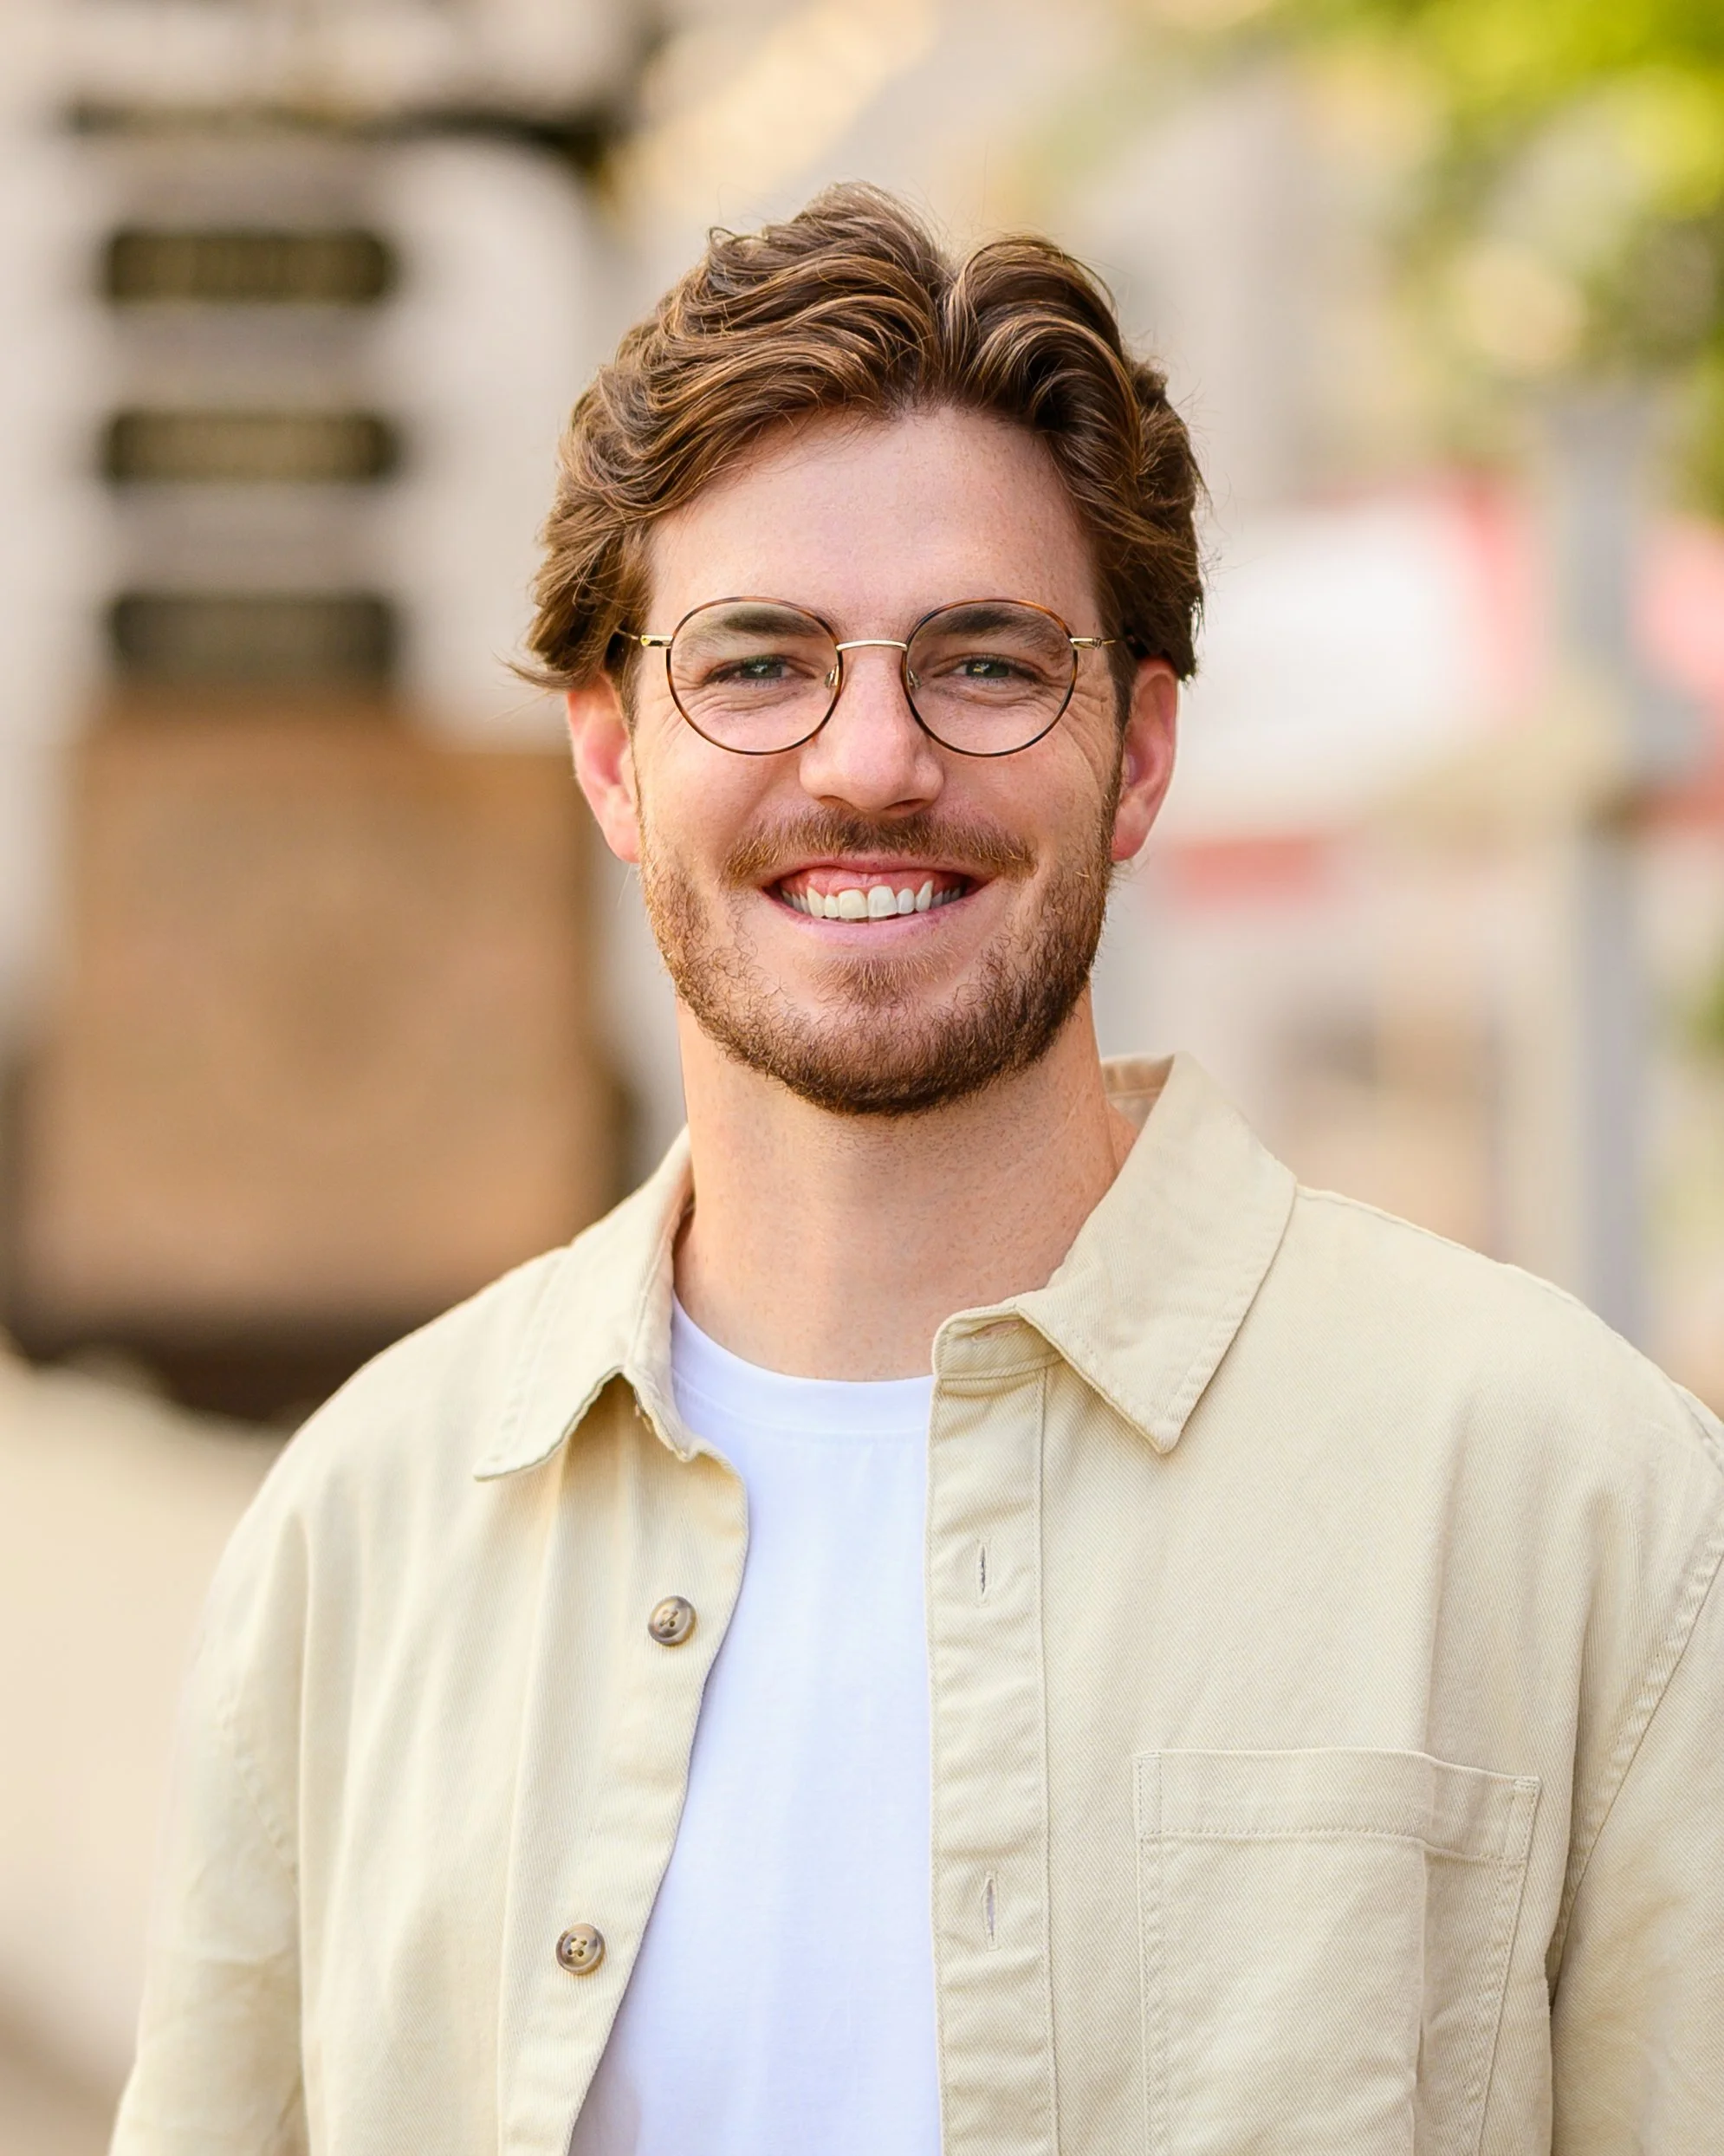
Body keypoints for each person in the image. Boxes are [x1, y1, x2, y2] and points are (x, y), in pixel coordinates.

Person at [114, 184, 1723, 2155]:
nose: (870, 758)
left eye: (980, 660)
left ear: (1135, 752)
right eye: (758, 660)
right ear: (613, 753)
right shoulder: (363, 1527)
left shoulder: (1569, 1495)